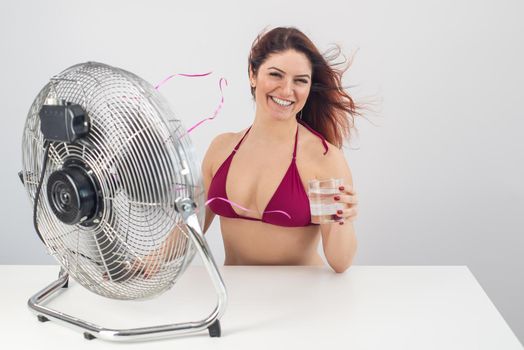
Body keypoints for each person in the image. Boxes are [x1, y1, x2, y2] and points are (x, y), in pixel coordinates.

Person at [135, 26, 362, 278]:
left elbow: (340, 262)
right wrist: (149, 260)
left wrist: (343, 219)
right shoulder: (221, 149)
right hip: (237, 296)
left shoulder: (322, 157)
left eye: (300, 80)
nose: (287, 90)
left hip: (302, 299)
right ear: (253, 75)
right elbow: (192, 226)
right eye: (276, 75)